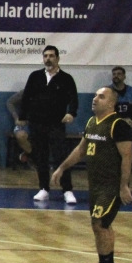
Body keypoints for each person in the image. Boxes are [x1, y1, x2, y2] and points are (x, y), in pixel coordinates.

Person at [51, 87, 132, 263]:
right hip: (96, 184)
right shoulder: (91, 122)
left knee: (100, 224)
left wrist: (124, 185)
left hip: (111, 185)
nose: (95, 99)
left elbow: (127, 156)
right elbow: (81, 150)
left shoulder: (118, 125)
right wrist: (62, 168)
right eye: (96, 95)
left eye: (101, 96)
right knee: (101, 225)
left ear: (111, 103)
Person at [20, 46, 79, 204]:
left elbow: (73, 98)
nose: (48, 59)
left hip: (56, 124)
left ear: (57, 58)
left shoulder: (66, 78)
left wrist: (71, 113)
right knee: (41, 157)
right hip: (36, 123)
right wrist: (22, 116)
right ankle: (44, 189)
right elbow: (26, 97)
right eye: (45, 56)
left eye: (51, 56)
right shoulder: (35, 76)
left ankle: (67, 190)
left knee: (61, 156)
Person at [6, 90, 34, 166]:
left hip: (39, 123)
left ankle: (34, 157)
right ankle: (33, 155)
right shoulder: (25, 92)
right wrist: (16, 117)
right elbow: (10, 102)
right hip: (25, 123)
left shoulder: (47, 94)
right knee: (20, 136)